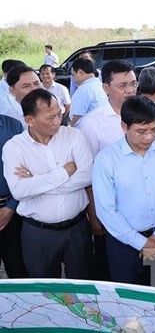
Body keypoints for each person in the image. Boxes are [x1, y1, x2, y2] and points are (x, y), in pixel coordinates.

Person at [3, 89, 93, 278]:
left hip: (77, 229)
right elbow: (19, 191)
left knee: (83, 287)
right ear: (29, 120)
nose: (57, 121)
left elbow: (87, 175)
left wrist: (37, 184)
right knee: (45, 292)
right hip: (38, 234)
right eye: (50, 117)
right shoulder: (14, 147)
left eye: (59, 114)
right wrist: (65, 171)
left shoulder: (73, 136)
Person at [93, 96, 155, 287]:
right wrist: (142, 243)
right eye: (141, 132)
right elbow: (106, 211)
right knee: (131, 303)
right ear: (124, 127)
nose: (149, 137)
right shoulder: (106, 159)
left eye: (154, 130)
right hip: (124, 244)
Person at [76, 59, 140, 280]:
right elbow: (88, 175)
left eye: (133, 83)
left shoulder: (151, 113)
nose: (130, 90)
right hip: (111, 214)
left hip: (146, 213)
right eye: (122, 86)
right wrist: (94, 215)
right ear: (105, 88)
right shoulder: (92, 124)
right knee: (113, 274)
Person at [0, 114, 28, 278]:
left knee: (18, 269)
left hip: (13, 211)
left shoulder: (13, 126)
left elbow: (27, 170)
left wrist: (10, 208)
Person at [69, 57, 107, 127]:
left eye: (73, 75)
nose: (74, 79)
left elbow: (76, 118)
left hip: (87, 132)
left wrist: (72, 132)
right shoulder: (100, 85)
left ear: (80, 72)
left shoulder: (83, 90)